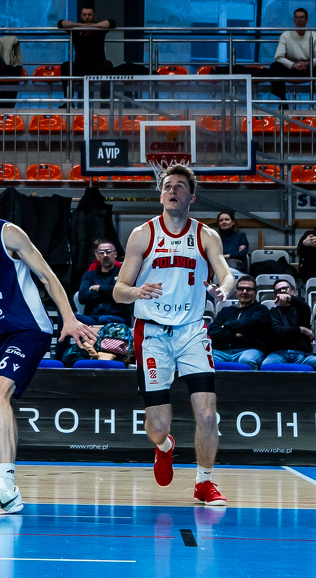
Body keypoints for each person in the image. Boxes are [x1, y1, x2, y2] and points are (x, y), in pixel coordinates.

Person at [0, 176, 94, 515]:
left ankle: (6, 488)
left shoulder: (8, 233)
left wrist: (68, 318)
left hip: (29, 330)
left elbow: (47, 275)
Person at [112, 164, 236, 506]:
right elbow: (118, 290)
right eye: (168, 186)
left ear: (191, 197)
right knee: (158, 427)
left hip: (192, 331)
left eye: (180, 186)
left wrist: (223, 290)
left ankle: (204, 482)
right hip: (152, 333)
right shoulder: (143, 234)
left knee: (207, 414)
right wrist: (137, 291)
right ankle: (164, 447)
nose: (173, 190)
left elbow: (227, 275)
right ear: (161, 195)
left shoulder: (206, 236)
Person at [269, 8, 316, 101]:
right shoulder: (285, 35)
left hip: (309, 68)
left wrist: (308, 63)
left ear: (307, 20)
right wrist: (293, 65)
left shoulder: (314, 35)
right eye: (297, 17)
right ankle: (282, 100)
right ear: (293, 20)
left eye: (302, 17)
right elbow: (278, 57)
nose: (299, 20)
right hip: (291, 68)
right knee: (275, 66)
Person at [56, 6, 115, 103]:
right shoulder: (76, 30)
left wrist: (92, 27)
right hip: (80, 66)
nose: (87, 17)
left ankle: (104, 102)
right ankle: (68, 101)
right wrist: (81, 26)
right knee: (65, 66)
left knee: (108, 64)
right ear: (81, 16)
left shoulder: (100, 30)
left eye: (90, 15)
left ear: (94, 16)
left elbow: (111, 23)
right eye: (84, 15)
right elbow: (61, 23)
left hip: (97, 67)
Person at [210, 276, 270, 369]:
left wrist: (225, 326)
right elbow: (213, 332)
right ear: (236, 291)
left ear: (255, 292)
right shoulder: (226, 311)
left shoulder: (261, 310)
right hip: (223, 352)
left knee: (246, 360)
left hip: (249, 350)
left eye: (248, 289)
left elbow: (249, 324)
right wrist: (234, 335)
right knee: (204, 357)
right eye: (241, 289)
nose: (244, 292)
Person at [262, 280, 316, 369]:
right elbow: (278, 330)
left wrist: (290, 299)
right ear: (276, 295)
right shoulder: (273, 312)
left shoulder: (301, 310)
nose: (282, 291)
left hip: (301, 354)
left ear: (293, 292)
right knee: (266, 364)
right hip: (278, 354)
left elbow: (305, 307)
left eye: (285, 288)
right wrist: (301, 329)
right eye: (279, 290)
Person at [77, 239, 130, 324]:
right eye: (101, 252)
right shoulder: (89, 275)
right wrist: (109, 292)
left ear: (115, 254)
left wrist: (99, 288)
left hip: (117, 316)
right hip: (92, 318)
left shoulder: (123, 274)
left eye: (108, 252)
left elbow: (122, 293)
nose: (105, 255)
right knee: (64, 319)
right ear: (97, 255)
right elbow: (82, 297)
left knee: (104, 319)